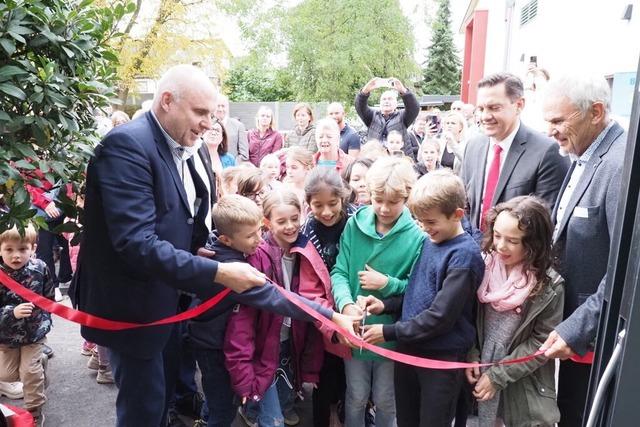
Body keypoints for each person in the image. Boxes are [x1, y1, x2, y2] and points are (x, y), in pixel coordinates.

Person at [74, 64, 270, 427]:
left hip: (169, 302)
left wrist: (196, 251)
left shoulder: (186, 145)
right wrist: (218, 272)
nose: (209, 123)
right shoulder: (127, 146)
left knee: (161, 402)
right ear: (167, 101)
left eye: (212, 114)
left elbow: (181, 219)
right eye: (200, 113)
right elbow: (135, 242)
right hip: (133, 311)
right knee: (143, 411)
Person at [186, 195, 355, 426]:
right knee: (223, 408)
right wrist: (332, 316)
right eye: (250, 235)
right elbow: (280, 299)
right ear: (227, 239)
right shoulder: (236, 271)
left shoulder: (229, 248)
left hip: (222, 342)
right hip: (212, 345)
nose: (259, 239)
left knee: (220, 401)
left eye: (258, 231)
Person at [357, 169, 484, 427]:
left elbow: (440, 317)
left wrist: (389, 331)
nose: (425, 228)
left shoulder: (464, 256)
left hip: (440, 360)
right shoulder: (430, 241)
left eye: (431, 222)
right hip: (410, 352)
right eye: (420, 221)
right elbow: (417, 292)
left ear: (457, 214)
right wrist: (386, 305)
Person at [539, 75, 627, 427]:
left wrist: (577, 329)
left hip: (596, 340)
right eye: (547, 121)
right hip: (576, 333)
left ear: (595, 112)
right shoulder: (583, 152)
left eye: (559, 121)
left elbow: (625, 269)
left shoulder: (619, 166)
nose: (550, 131)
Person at [331, 157, 425, 427]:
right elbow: (339, 272)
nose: (383, 208)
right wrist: (346, 306)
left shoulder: (416, 237)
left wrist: (387, 283)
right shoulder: (355, 223)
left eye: (393, 202)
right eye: (377, 199)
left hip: (389, 336)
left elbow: (416, 289)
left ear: (407, 196)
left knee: (386, 399)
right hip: (354, 331)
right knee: (356, 396)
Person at [465, 196, 564, 427]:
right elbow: (468, 317)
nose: (500, 246)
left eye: (512, 240)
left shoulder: (549, 286)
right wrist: (471, 354)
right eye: (497, 236)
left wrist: (498, 376)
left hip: (522, 386)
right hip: (482, 375)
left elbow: (542, 342)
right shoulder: (484, 266)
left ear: (533, 244)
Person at [460, 72, 569, 230]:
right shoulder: (473, 147)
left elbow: (546, 223)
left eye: (494, 108)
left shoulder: (547, 152)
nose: (485, 116)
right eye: (481, 109)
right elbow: (466, 205)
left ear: (519, 105)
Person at [301, 168, 356, 426]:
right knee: (324, 378)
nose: (326, 212)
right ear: (308, 203)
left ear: (343, 198)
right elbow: (307, 287)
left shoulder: (358, 223)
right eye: (317, 205)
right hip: (324, 322)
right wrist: (330, 324)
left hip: (355, 316)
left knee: (353, 383)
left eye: (332, 204)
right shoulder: (307, 233)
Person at [0, 225, 53, 426]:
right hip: (6, 337)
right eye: (9, 249)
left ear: (33, 248)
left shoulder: (40, 268)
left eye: (23, 249)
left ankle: (34, 410)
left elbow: (48, 295)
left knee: (29, 373)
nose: (16, 256)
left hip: (34, 333)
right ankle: (41, 363)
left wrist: (44, 319)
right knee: (6, 374)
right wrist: (11, 312)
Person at [355, 77, 420, 157]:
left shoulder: (402, 116)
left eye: (390, 99)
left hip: (398, 160)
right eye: (384, 99)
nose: (386, 101)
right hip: (375, 160)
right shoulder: (372, 116)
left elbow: (414, 108)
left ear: (396, 104)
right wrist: (365, 91)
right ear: (380, 103)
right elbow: (359, 107)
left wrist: (403, 90)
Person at [214, 93, 249, 161]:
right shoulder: (208, 125)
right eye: (218, 106)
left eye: (223, 106)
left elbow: (244, 155)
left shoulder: (238, 126)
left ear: (227, 107)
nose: (220, 109)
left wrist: (232, 165)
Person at [284, 146, 314, 211]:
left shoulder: (314, 191)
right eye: (287, 167)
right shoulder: (284, 189)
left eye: (294, 167)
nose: (289, 171)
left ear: (307, 169)